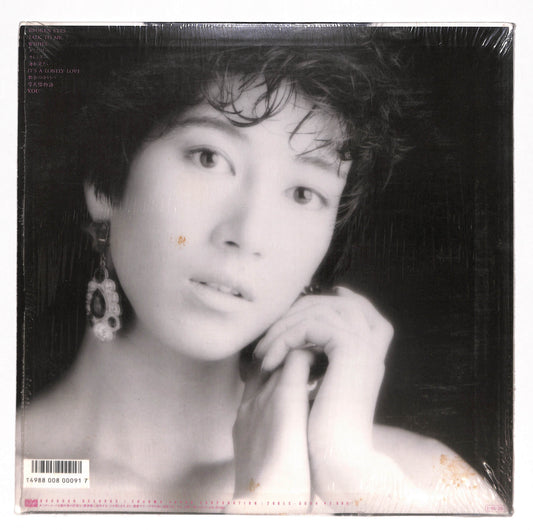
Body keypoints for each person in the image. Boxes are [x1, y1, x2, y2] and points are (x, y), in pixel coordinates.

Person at [17, 35, 508, 514]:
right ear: (104, 184)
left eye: (303, 193)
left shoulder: (414, 485)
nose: (248, 235)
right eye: (209, 158)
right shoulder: (17, 489)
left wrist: (352, 479)